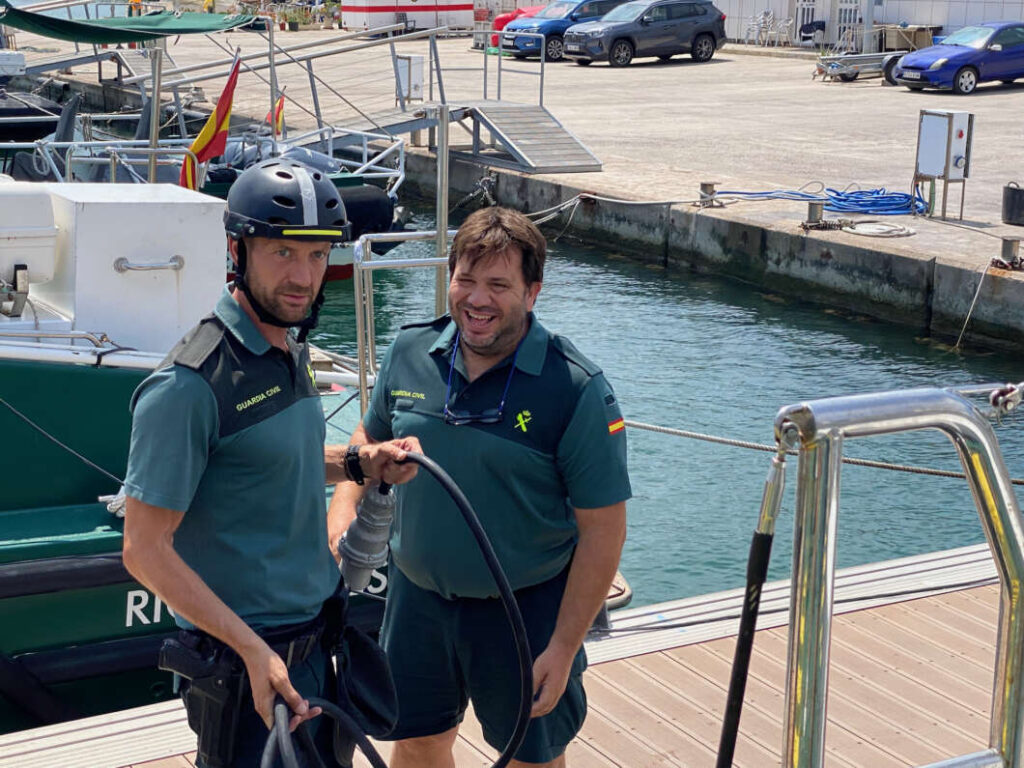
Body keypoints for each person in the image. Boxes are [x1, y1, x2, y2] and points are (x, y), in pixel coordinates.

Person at [122, 158, 420, 768]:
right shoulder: (189, 385)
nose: (303, 276)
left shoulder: (289, 348)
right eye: (283, 252)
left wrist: (362, 463)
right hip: (248, 671)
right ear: (238, 250)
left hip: (315, 651)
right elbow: (143, 550)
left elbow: (277, 460)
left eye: (317, 255)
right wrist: (252, 652)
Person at [329, 206, 631, 768]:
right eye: (466, 279)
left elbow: (604, 529)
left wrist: (564, 646)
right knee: (416, 742)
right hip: (416, 603)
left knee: (530, 758)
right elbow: (368, 439)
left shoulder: (575, 387)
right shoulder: (408, 352)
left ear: (532, 293)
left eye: (499, 285)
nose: (477, 299)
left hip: (526, 613)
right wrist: (341, 514)